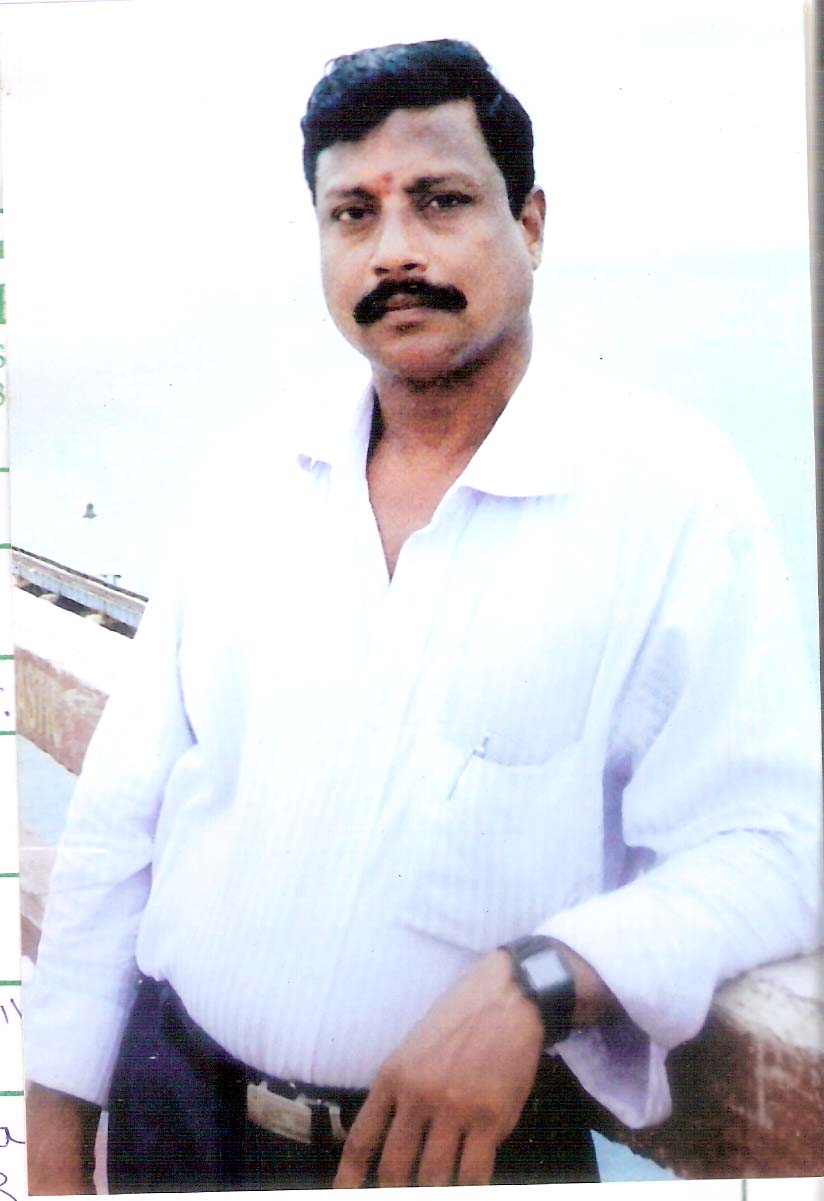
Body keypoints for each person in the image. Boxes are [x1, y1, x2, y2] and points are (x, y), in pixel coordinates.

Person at [25, 39, 821, 1192]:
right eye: (352, 213)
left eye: (440, 201)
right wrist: (56, 1143)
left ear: (529, 224)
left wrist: (539, 979)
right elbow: (117, 826)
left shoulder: (666, 496)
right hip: (172, 1119)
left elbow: (775, 847)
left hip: (452, 1161)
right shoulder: (253, 479)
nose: (394, 249)